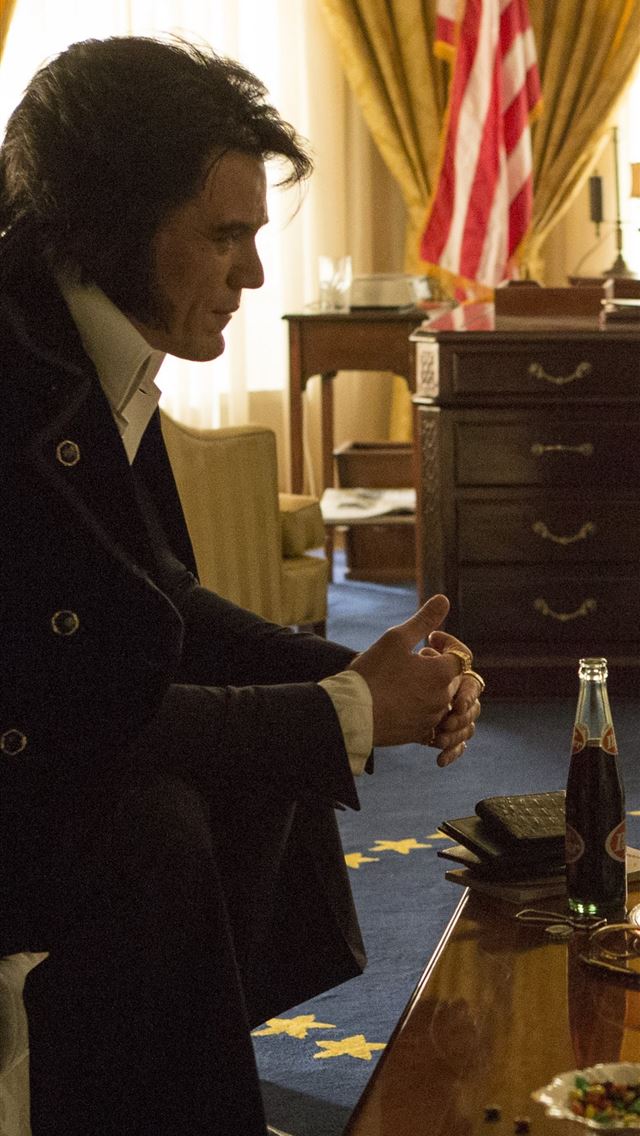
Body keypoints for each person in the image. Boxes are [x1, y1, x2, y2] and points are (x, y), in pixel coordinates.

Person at [0, 35, 483, 1136]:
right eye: (226, 236)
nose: (254, 275)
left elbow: (156, 592)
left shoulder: (73, 333)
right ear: (114, 222)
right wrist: (348, 709)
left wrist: (357, 670)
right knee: (159, 819)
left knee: (269, 758)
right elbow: (64, 708)